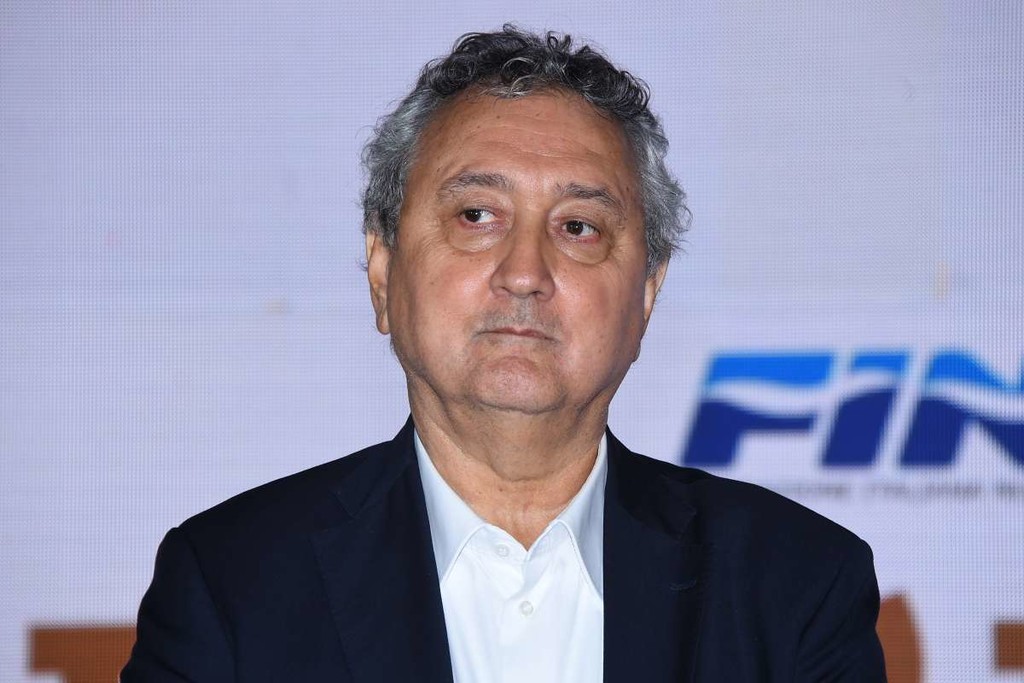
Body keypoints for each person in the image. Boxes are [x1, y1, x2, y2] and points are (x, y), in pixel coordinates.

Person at [122, 26, 886, 682]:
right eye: (476, 215)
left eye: (578, 227)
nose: (525, 272)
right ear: (383, 272)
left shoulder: (797, 584)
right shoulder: (231, 584)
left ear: (647, 294)